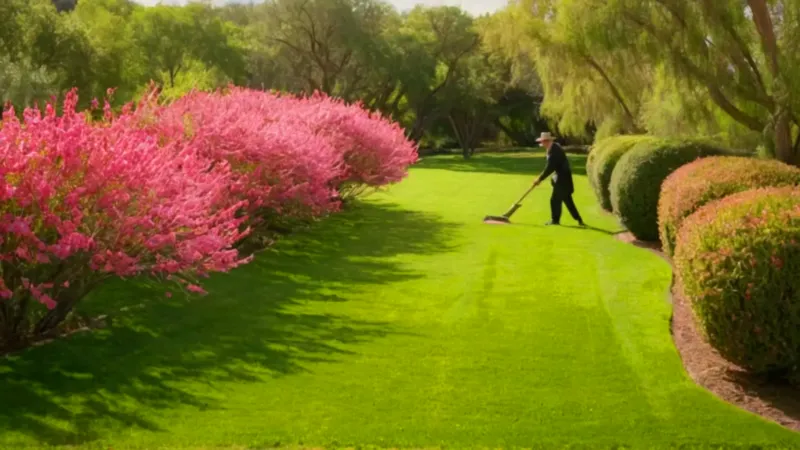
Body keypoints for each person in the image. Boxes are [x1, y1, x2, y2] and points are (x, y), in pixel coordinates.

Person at [531, 132, 585, 226]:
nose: (542, 145)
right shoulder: (553, 148)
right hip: (563, 179)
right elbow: (550, 167)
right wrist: (540, 178)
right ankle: (579, 219)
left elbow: (549, 168)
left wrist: (539, 179)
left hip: (562, 180)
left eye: (542, 142)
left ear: (547, 141)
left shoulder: (555, 151)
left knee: (555, 200)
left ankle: (555, 220)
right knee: (568, 200)